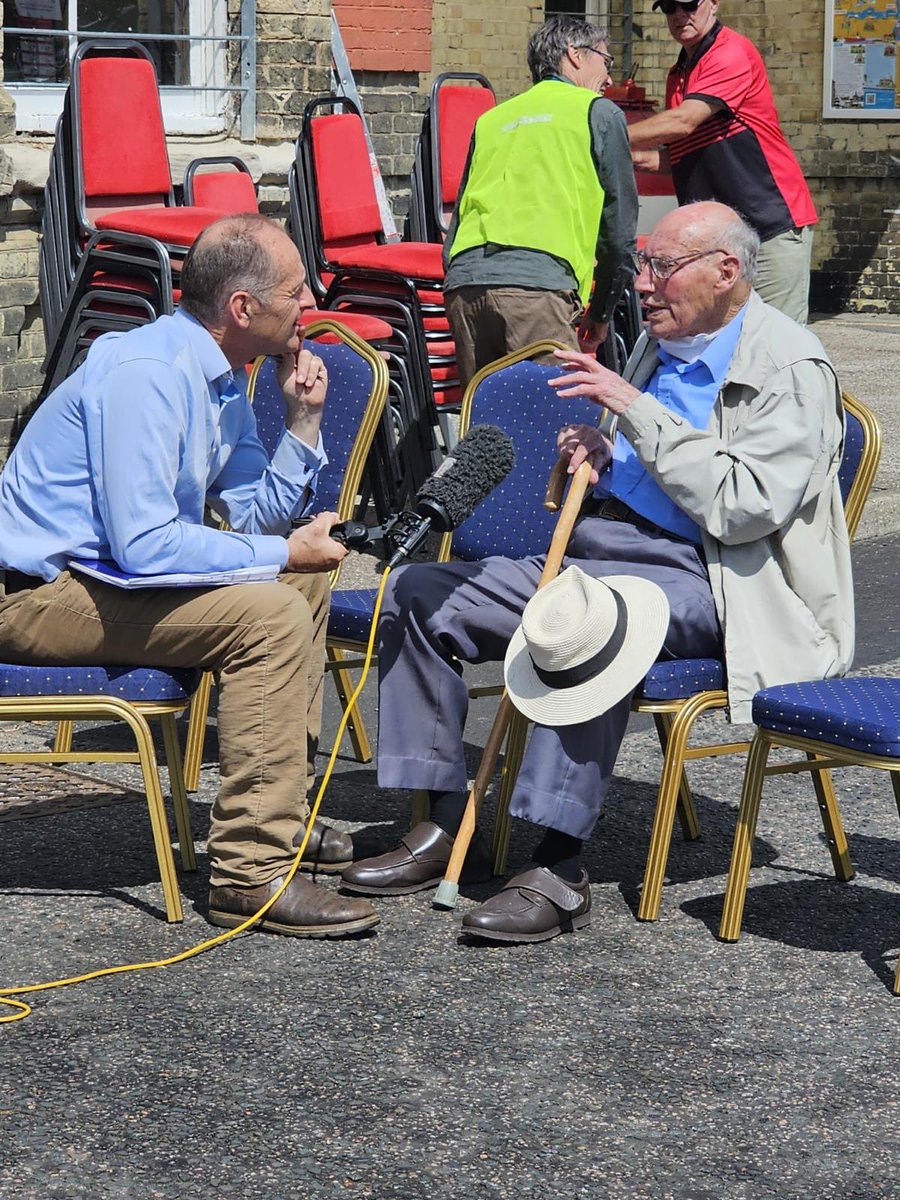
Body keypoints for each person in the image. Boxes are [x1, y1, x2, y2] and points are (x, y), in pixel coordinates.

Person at [341, 201, 853, 944]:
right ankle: (445, 823)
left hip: (719, 581)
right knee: (422, 594)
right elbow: (651, 460)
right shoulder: (662, 338)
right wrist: (605, 455)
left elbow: (744, 509)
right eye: (644, 265)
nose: (644, 284)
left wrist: (633, 410)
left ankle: (558, 864)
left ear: (728, 271)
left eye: (664, 268)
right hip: (599, 551)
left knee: (591, 622)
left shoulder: (791, 365)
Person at [0, 213, 379, 939]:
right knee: (269, 611)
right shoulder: (148, 373)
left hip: (100, 576)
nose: (311, 303)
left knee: (298, 586)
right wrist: (279, 555)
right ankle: (249, 876)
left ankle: (281, 815)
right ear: (244, 308)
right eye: (298, 292)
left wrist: (301, 424)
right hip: (33, 591)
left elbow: (255, 517)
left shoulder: (221, 380)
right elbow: (144, 545)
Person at [443, 14, 639, 387]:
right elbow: (619, 233)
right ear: (575, 55)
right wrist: (601, 314)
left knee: (485, 429)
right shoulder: (597, 113)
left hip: (465, 285)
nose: (610, 77)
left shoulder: (492, 119)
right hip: (536, 289)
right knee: (554, 431)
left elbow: (460, 216)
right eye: (606, 61)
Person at [626, 0, 817, 325]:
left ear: (713, 4)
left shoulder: (730, 52)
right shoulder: (680, 73)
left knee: (774, 344)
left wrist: (603, 134)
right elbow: (683, 156)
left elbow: (684, 122)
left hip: (769, 225)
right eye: (669, 7)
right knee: (723, 341)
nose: (679, 15)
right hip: (721, 242)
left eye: (688, 4)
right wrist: (616, 155)